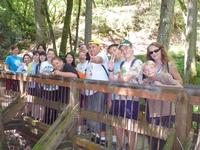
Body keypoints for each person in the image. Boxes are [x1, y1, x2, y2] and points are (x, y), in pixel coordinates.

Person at [108, 39, 143, 150]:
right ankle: (123, 146)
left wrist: (119, 78)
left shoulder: (137, 62)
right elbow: (112, 79)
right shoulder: (123, 63)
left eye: (126, 48)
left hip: (131, 99)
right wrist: (111, 68)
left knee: (130, 126)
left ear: (132, 48)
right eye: (122, 49)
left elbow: (125, 78)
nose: (124, 51)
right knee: (116, 123)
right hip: (118, 97)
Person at [142, 60, 182, 150]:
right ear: (144, 72)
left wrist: (163, 86)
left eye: (151, 68)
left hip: (167, 113)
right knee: (153, 139)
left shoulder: (164, 76)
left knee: (164, 140)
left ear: (156, 68)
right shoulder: (147, 81)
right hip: (154, 114)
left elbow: (179, 87)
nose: (149, 71)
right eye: (146, 70)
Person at [85, 39, 109, 145]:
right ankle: (96, 135)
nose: (91, 49)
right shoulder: (89, 61)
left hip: (100, 89)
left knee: (99, 112)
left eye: (93, 47)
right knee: (92, 113)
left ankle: (103, 138)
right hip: (89, 91)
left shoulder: (102, 55)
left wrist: (93, 58)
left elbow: (99, 60)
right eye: (89, 47)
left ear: (99, 47)